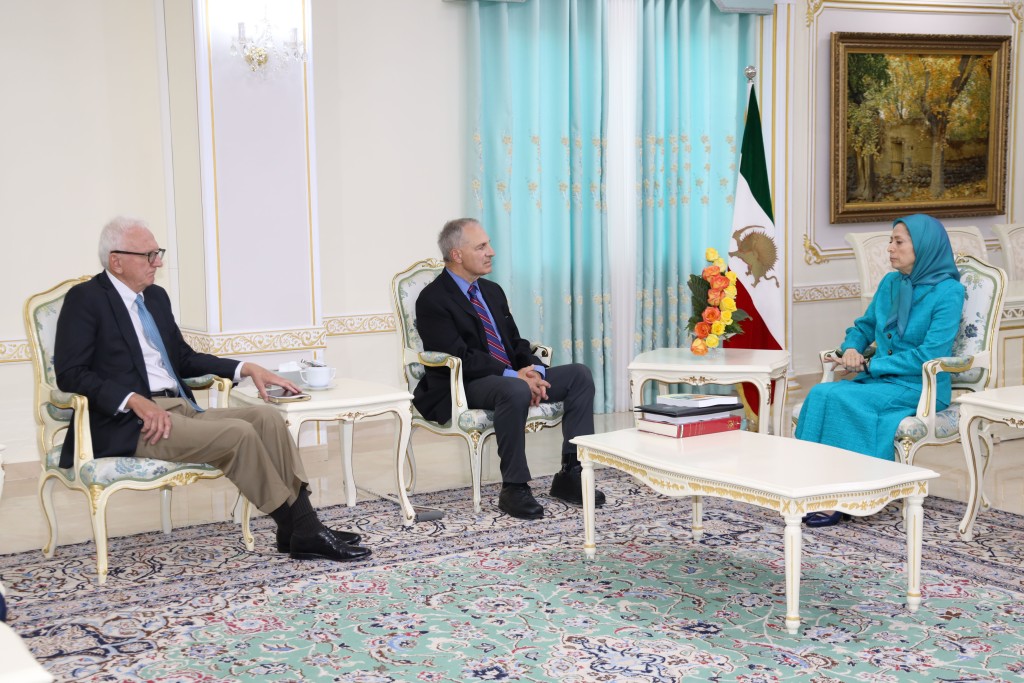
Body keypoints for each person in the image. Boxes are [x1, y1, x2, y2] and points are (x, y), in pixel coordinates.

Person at [54, 216, 371, 563]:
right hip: (130, 423)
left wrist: (244, 368)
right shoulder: (85, 299)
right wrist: (134, 401)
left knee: (267, 418)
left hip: (178, 408)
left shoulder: (155, 298)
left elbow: (184, 359)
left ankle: (296, 529)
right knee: (238, 434)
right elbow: (71, 374)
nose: (158, 263)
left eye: (157, 253)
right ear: (116, 260)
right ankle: (303, 530)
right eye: (148, 255)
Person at [413, 218, 605, 520]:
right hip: (463, 384)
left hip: (508, 378)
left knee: (579, 375)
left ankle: (571, 473)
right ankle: (514, 487)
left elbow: (515, 342)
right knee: (513, 388)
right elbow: (460, 356)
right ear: (457, 255)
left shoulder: (491, 291)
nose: (491, 252)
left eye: (488, 244)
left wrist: (534, 372)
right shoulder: (433, 299)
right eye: (481, 246)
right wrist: (514, 376)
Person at [795, 214, 964, 527]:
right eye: (890, 241)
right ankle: (809, 488)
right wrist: (851, 348)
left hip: (920, 386)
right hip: (883, 380)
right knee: (820, 393)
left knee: (845, 399)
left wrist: (873, 364)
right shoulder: (890, 283)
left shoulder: (949, 293)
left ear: (924, 247)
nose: (890, 248)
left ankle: (847, 496)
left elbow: (930, 355)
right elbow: (865, 326)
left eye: (898, 242)